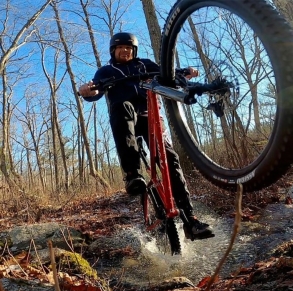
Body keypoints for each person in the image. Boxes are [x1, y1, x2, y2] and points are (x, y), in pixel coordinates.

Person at [78, 32, 214, 241]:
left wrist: (185, 72)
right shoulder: (106, 71)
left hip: (150, 117)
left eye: (129, 48)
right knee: (122, 107)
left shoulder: (145, 65)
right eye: (120, 48)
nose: (125, 51)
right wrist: (86, 90)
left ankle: (190, 219)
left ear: (135, 51)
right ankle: (132, 173)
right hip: (126, 119)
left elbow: (167, 74)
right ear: (113, 51)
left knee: (170, 159)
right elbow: (95, 90)